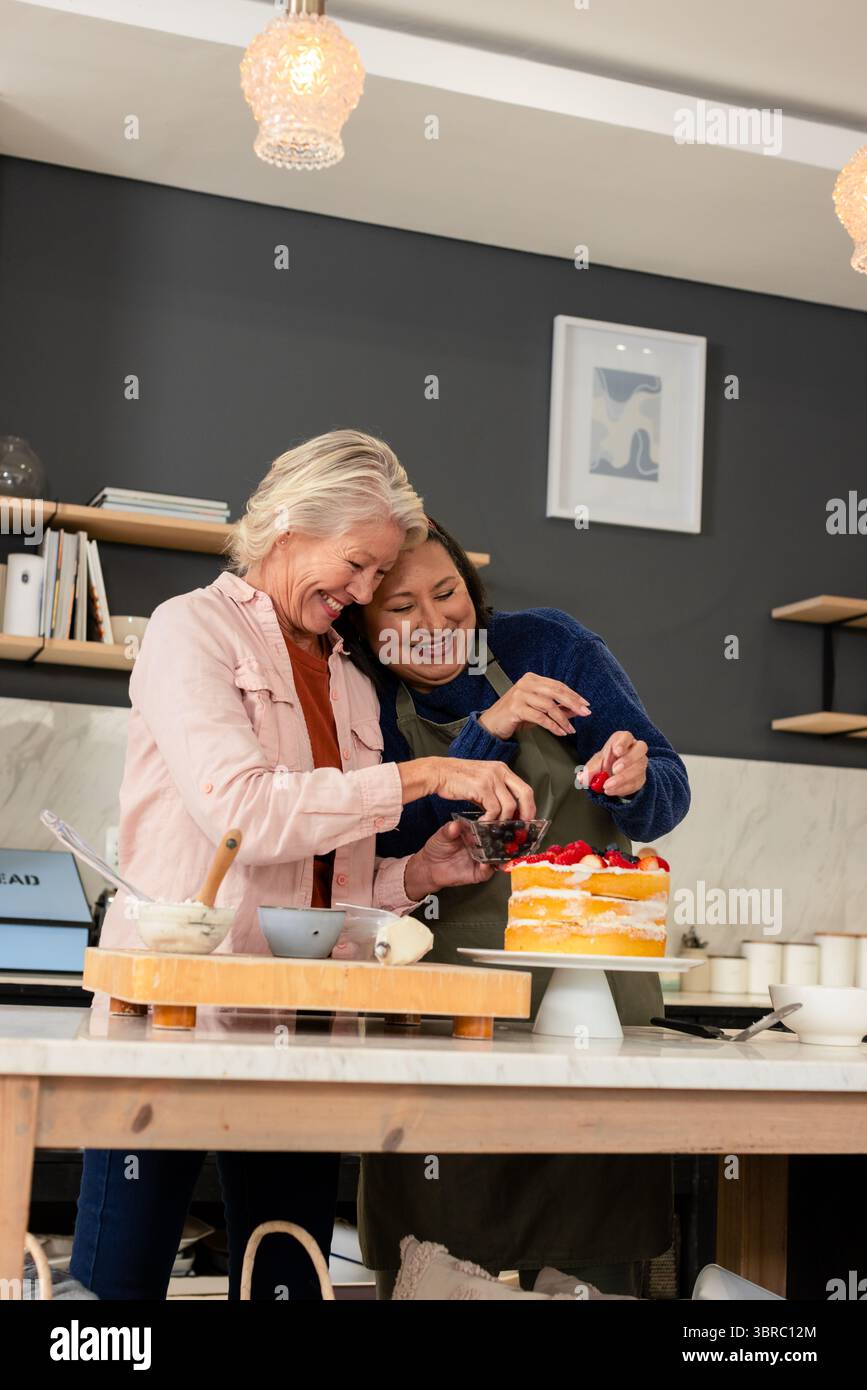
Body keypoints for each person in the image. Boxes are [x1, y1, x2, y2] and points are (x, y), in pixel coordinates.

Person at [70, 435, 534, 1301]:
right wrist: (425, 774)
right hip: (172, 1018)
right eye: (358, 566)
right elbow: (243, 810)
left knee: (289, 1284)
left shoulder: (351, 678)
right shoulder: (190, 630)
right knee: (116, 1297)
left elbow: (336, 885)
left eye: (376, 576)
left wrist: (419, 877)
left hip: (306, 1029)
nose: (362, 595)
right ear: (287, 524)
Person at [337, 518, 691, 1298]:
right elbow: (398, 842)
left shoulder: (547, 646)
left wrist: (634, 779)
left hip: (599, 1012)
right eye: (400, 608)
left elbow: (668, 789)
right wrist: (487, 732)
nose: (435, 624)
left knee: (594, 1253)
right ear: (361, 623)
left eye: (447, 592)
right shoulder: (358, 694)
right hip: (444, 1023)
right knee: (433, 1257)